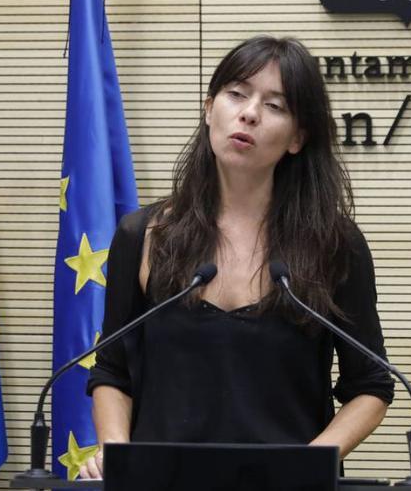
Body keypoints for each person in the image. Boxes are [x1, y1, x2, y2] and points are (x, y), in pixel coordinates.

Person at [82, 36, 394, 479]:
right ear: (209, 109)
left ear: (297, 138)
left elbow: (371, 386)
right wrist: (117, 454)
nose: (249, 113)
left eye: (275, 105)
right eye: (237, 94)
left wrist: (310, 465)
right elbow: (112, 372)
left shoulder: (333, 244)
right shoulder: (145, 235)